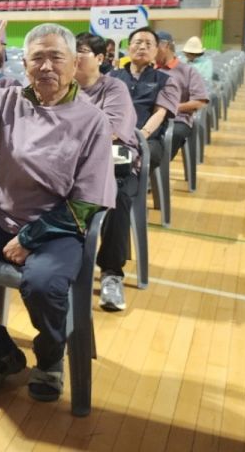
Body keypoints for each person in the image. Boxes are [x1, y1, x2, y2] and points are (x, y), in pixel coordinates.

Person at [0, 23, 116, 402]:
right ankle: (0, 351)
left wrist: (29, 238)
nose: (46, 66)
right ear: (24, 64)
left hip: (58, 228)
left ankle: (50, 359)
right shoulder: (10, 99)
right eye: (37, 57)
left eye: (56, 57)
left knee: (43, 284)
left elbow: (87, 202)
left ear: (74, 64)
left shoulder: (92, 120)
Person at [75, 33, 139, 312]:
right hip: (72, 162)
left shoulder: (114, 89)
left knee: (118, 196)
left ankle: (112, 274)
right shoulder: (59, 87)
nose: (74, 56)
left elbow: (110, 133)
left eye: (82, 51)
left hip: (113, 164)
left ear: (100, 59)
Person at [108, 27, 181, 172]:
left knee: (127, 163)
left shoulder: (165, 81)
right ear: (129, 48)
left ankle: (129, 192)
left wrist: (140, 136)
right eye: (138, 42)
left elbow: (159, 113)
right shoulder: (111, 77)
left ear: (155, 50)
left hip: (146, 138)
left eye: (148, 44)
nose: (142, 47)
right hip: (112, 135)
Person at [155, 32, 209, 159]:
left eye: (153, 45)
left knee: (173, 134)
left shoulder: (188, 71)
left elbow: (200, 101)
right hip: (149, 117)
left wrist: (170, 108)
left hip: (177, 119)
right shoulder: (150, 69)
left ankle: (158, 169)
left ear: (165, 46)